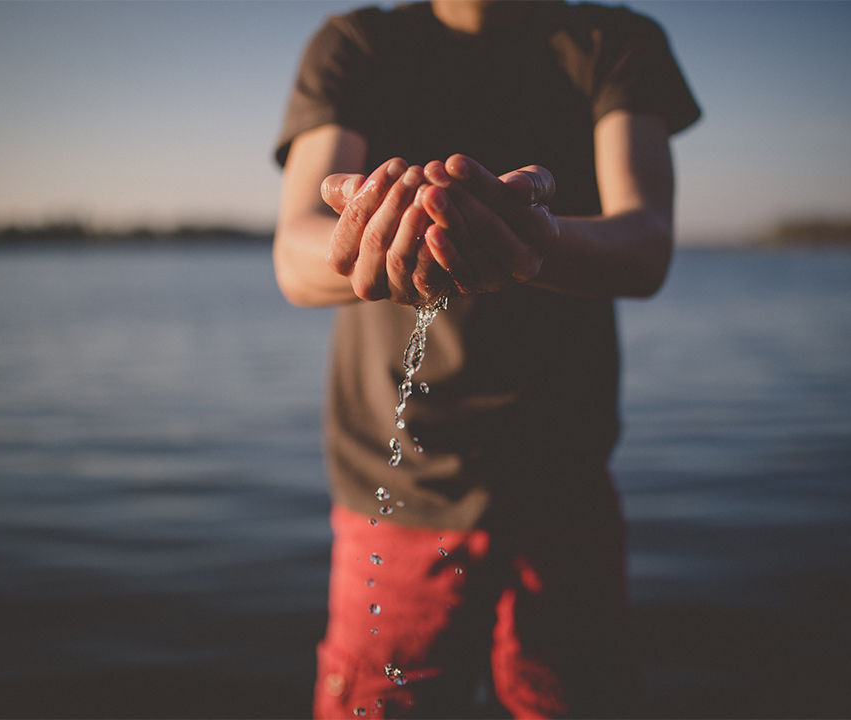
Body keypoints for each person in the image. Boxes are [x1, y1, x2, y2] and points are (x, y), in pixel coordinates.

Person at [273, 2, 700, 717]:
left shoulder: (612, 42)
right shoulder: (357, 43)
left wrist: (529, 240)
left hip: (564, 492)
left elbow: (646, 241)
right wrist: (370, 235)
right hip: (397, 497)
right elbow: (294, 251)